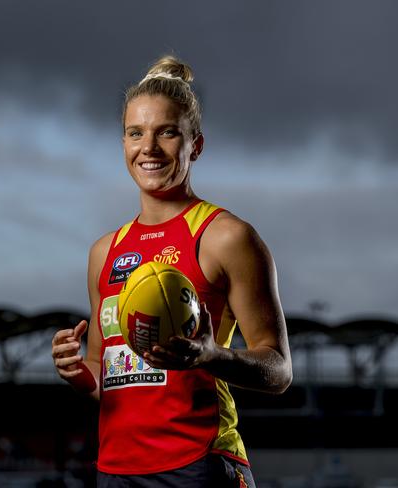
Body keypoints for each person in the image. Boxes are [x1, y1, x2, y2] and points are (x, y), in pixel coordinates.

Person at [51, 55, 292, 487]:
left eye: (167, 132)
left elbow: (279, 369)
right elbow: (104, 377)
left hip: (199, 463)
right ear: (123, 143)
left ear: (195, 144)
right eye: (135, 133)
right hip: (116, 470)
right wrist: (77, 372)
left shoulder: (226, 237)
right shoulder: (105, 252)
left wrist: (211, 355)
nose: (149, 148)